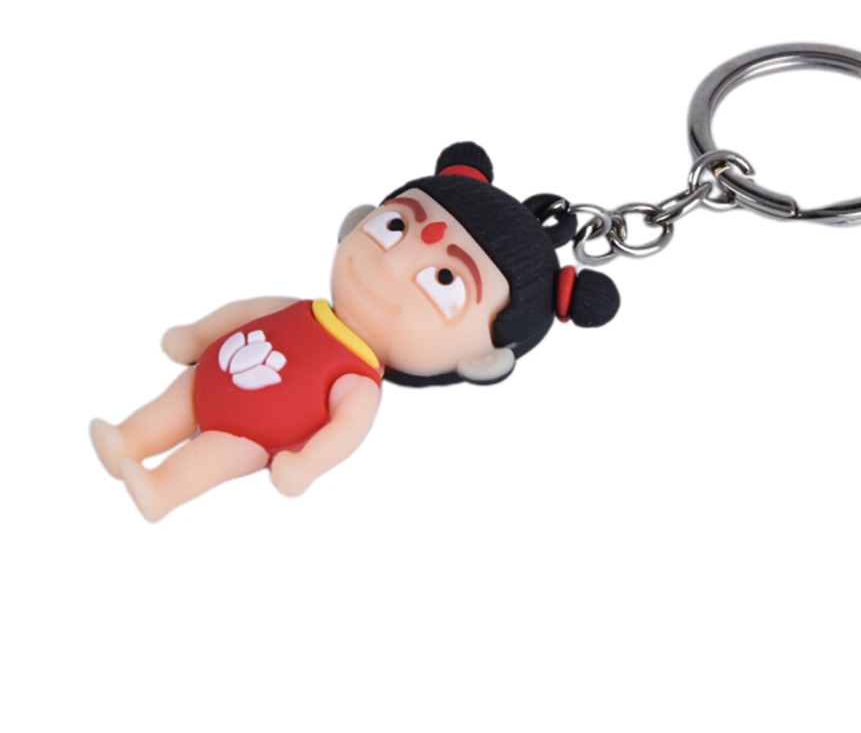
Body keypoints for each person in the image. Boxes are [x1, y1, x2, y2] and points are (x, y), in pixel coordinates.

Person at [90, 142, 619, 521]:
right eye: (396, 227)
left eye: (444, 279)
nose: (392, 265)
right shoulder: (302, 309)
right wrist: (196, 335)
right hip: (209, 372)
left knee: (215, 454)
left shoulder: (359, 382)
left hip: (249, 438)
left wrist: (306, 465)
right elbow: (245, 312)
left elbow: (345, 432)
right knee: (177, 401)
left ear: (481, 360)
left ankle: (161, 489)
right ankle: (126, 440)